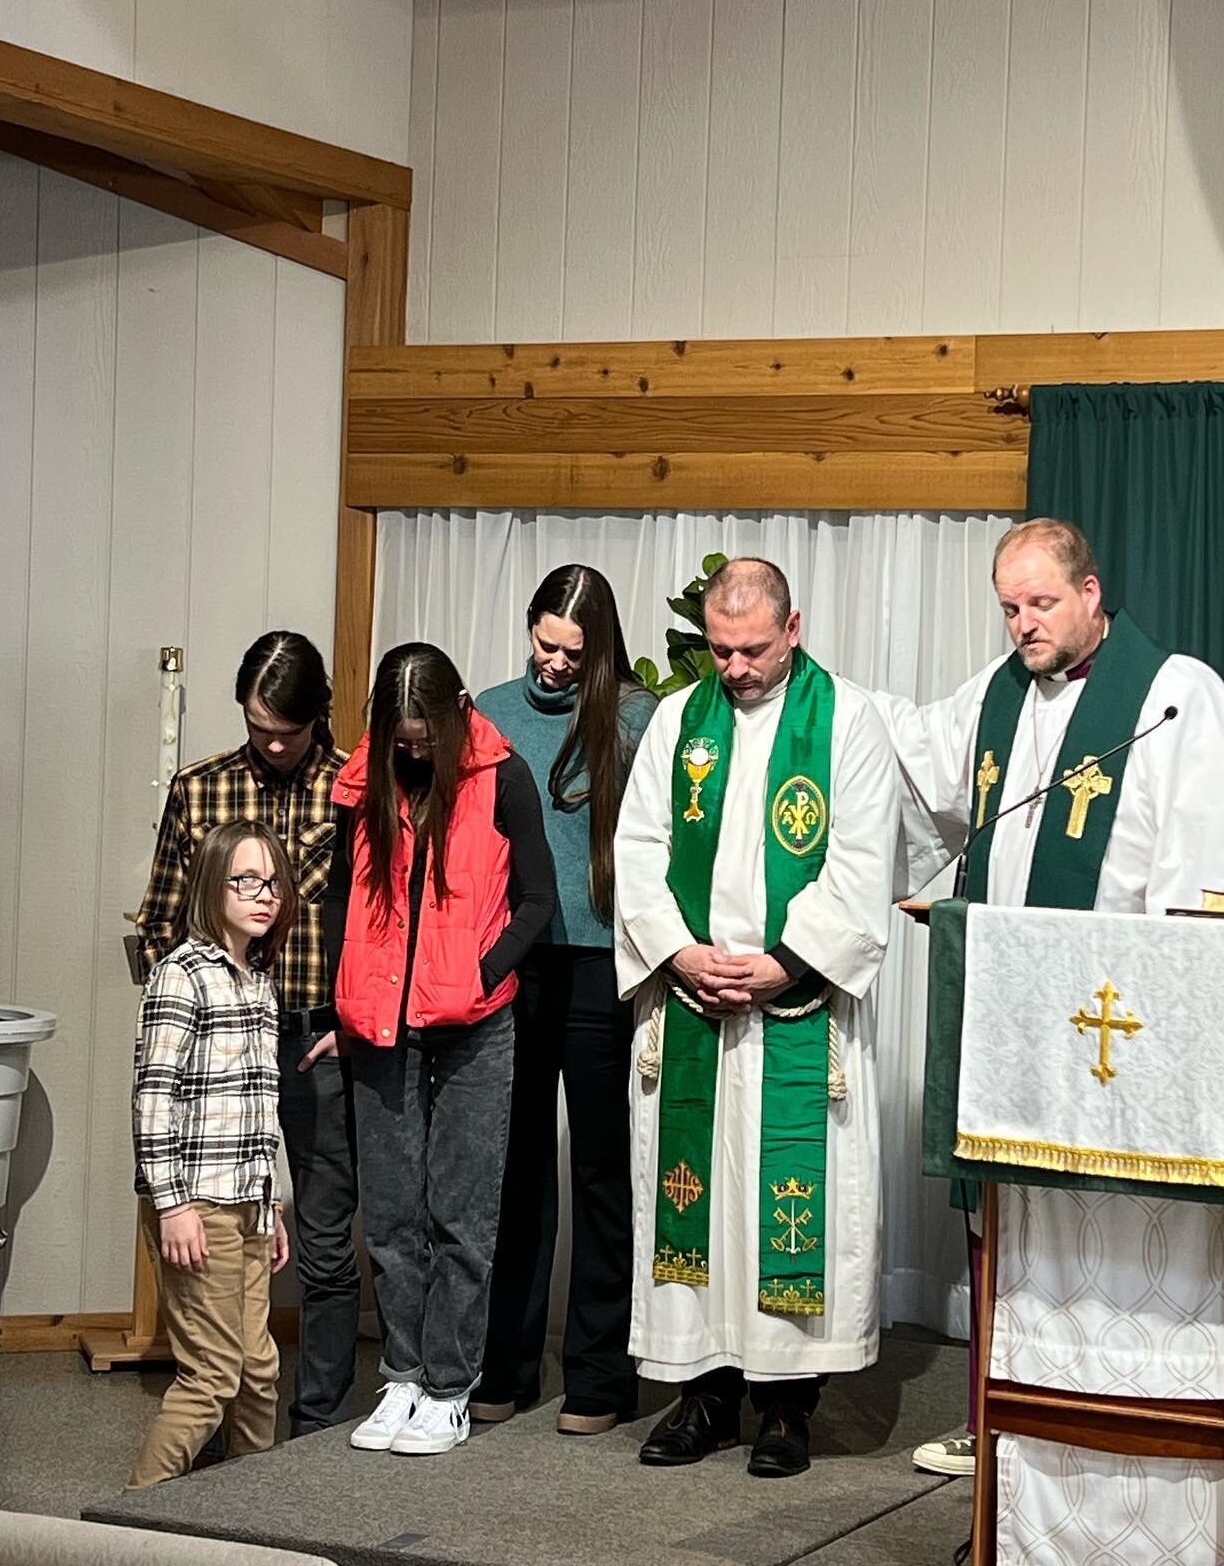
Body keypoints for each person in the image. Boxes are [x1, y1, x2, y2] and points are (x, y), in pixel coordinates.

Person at [873, 517, 1224, 1477]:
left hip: (1121, 1020)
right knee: (1003, 1208)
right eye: (1008, 608)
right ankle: (993, 1414)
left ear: (1090, 592)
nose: (1022, 625)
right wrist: (811, 687)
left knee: (1101, 1226)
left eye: (1038, 603)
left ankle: (1117, 1413)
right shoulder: (995, 698)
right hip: (1011, 1009)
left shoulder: (1169, 697)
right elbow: (910, 761)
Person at [615, 558, 900, 1479]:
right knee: (698, 1197)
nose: (732, 669)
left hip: (793, 1001)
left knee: (780, 1193)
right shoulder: (677, 721)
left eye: (751, 649)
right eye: (719, 649)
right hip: (697, 997)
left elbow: (863, 861)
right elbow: (640, 847)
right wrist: (681, 952)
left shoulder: (846, 722)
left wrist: (783, 964)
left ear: (794, 628)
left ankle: (785, 1407)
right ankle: (702, 1394)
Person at [325, 642, 556, 1456]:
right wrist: (338, 998)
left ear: (459, 711)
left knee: (461, 1214)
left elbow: (539, 901)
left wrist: (479, 970)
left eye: (425, 735)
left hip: (475, 1028)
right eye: (401, 736)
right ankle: (402, 1375)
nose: (414, 749)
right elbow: (340, 903)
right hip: (380, 1025)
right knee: (389, 1216)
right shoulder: (362, 782)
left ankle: (451, 1386)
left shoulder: (503, 777)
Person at [136, 631, 359, 1440]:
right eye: (257, 725)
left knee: (326, 1246)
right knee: (217, 1227)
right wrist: (200, 1013)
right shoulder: (199, 792)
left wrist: (353, 1019)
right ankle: (221, 1417)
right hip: (222, 1055)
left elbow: (377, 920)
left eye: (287, 732)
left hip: (319, 1042)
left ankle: (318, 1428)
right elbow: (161, 919)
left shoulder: (350, 790)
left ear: (317, 719)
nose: (270, 743)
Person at [472, 566, 657, 1436]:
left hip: (599, 964)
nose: (552, 664)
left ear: (601, 650)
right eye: (544, 644)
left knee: (599, 1168)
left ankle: (599, 1375)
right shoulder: (489, 713)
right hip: (511, 961)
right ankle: (501, 1366)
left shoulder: (634, 717)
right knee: (514, 1170)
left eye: (572, 653)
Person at [129, 820, 294, 1487]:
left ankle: (241, 1516)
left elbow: (263, 1108)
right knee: (212, 1376)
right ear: (211, 885)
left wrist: (273, 1202)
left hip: (248, 1205)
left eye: (275, 882)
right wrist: (172, 1207)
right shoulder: (182, 976)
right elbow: (153, 1098)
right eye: (246, 880)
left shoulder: (257, 982)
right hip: (197, 1205)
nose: (265, 894)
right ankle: (134, 1518)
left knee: (259, 1369)